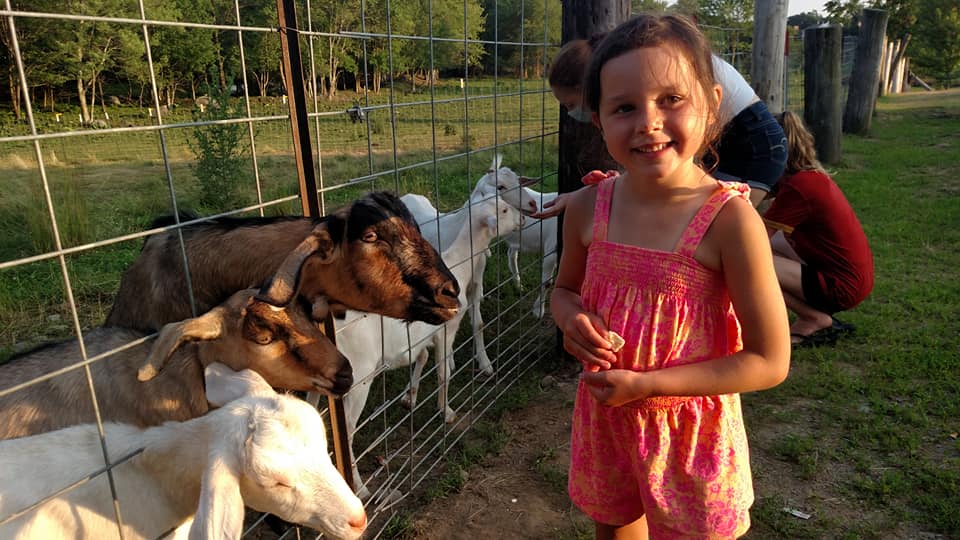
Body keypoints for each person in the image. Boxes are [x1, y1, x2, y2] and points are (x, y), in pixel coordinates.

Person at [550, 13, 791, 540]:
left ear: (709, 102)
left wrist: (648, 386)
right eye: (624, 107)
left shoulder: (731, 221)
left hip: (691, 440)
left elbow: (770, 361)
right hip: (606, 422)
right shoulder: (588, 207)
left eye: (670, 100)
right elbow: (564, 291)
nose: (647, 122)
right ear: (599, 121)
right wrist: (571, 320)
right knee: (615, 527)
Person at [535, 25, 786, 219]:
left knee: (711, 228)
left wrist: (589, 198)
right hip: (733, 137)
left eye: (570, 104)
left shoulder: (659, 64)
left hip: (753, 144)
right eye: (626, 108)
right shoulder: (645, 59)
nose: (648, 123)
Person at [763, 111, 874, 347]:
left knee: (747, 260)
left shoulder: (798, 188)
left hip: (841, 287)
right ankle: (811, 313)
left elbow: (754, 238)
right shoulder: (807, 178)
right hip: (853, 280)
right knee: (769, 248)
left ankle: (812, 317)